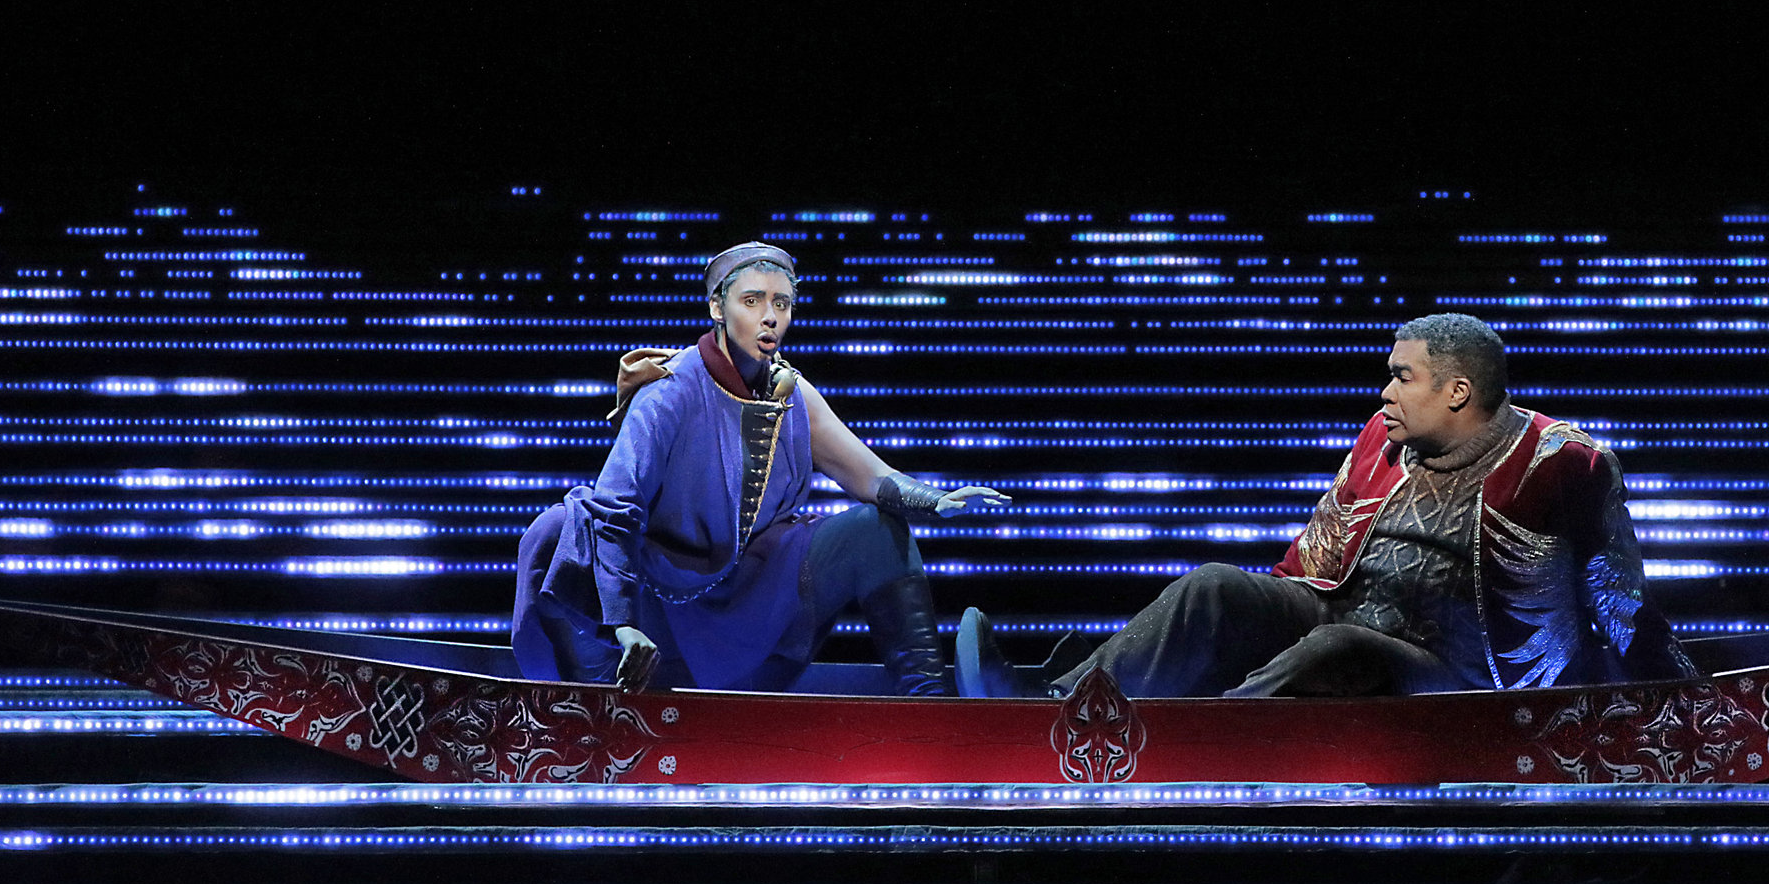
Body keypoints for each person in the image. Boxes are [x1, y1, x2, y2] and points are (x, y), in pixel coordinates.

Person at [958, 312, 1695, 698]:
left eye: (1402, 377)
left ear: (1457, 392)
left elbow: (1622, 600)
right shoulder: (1383, 435)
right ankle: (1054, 703)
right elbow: (1313, 554)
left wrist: (1679, 700)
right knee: (1216, 586)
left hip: (1457, 674)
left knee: (1339, 648)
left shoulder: (1564, 463)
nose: (1385, 393)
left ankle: (1206, 731)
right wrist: (1244, 616)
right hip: (1342, 611)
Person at [510, 241, 1006, 694]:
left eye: (781, 304)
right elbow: (616, 509)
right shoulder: (670, 391)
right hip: (657, 603)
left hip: (749, 592)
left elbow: (869, 477)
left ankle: (930, 705)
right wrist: (622, 622)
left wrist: (936, 500)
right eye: (752, 301)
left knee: (875, 531)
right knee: (559, 530)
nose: (769, 317)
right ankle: (600, 704)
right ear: (717, 308)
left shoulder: (792, 391)